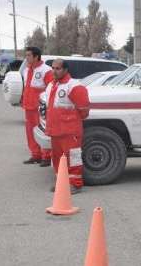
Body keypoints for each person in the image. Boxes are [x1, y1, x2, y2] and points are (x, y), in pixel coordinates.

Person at [45, 59, 89, 194]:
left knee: (73, 159)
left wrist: (70, 122)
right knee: (57, 159)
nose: (54, 71)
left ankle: (75, 185)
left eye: (57, 68)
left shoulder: (74, 86)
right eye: (53, 68)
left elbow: (84, 110)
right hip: (55, 131)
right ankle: (62, 184)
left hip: (70, 132)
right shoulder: (52, 85)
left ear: (65, 70)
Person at [22, 47, 53, 166]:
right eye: (26, 55)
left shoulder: (46, 70)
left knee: (43, 132)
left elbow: (50, 89)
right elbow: (27, 88)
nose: (27, 57)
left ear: (36, 56)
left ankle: (46, 156)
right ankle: (36, 155)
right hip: (28, 107)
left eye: (29, 55)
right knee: (30, 132)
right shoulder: (27, 70)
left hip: (40, 108)